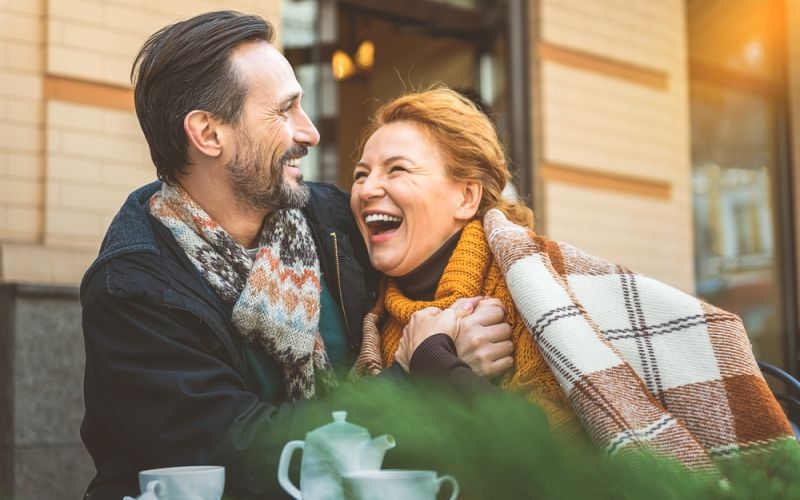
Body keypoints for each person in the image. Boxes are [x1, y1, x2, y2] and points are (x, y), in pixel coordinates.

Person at [80, 12, 512, 500]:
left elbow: (437, 244)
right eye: (284, 111)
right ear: (208, 133)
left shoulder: (331, 221)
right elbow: (241, 455)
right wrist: (418, 377)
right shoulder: (135, 288)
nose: (310, 133)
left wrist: (469, 324)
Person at [350, 86, 796, 470]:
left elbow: (550, 466)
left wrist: (435, 363)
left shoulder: (534, 294)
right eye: (361, 174)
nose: (368, 189)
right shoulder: (368, 315)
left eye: (397, 169)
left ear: (466, 196)